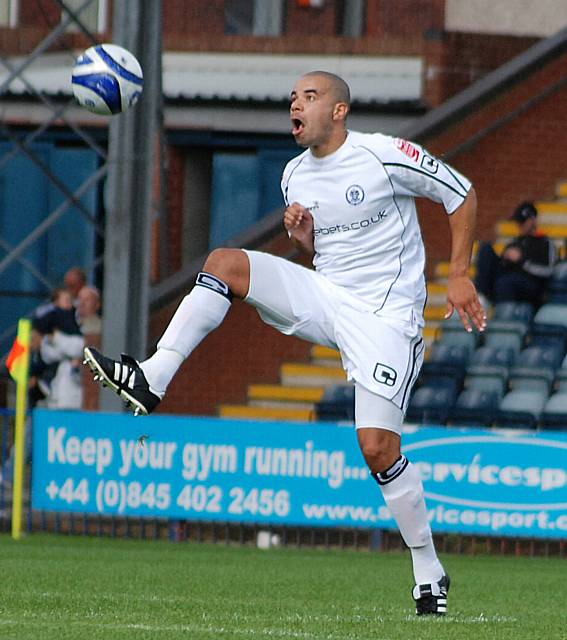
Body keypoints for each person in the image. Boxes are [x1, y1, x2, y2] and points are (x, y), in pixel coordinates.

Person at [84, 71, 486, 616]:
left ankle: (428, 569)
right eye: (293, 97)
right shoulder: (294, 175)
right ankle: (153, 376)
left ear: (339, 111)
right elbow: (321, 256)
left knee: (377, 449)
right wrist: (305, 242)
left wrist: (459, 273)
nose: (296, 103)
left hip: (385, 317)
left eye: (310, 96)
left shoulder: (384, 154)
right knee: (225, 263)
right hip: (327, 294)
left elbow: (461, 193)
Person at [475, 201, 556, 309]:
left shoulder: (545, 242)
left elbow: (548, 270)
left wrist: (522, 261)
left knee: (506, 283)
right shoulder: (516, 241)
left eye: (523, 222)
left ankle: (505, 317)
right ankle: (481, 297)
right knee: (486, 248)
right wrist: (506, 258)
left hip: (531, 285)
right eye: (519, 222)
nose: (520, 226)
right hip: (508, 278)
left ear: (532, 221)